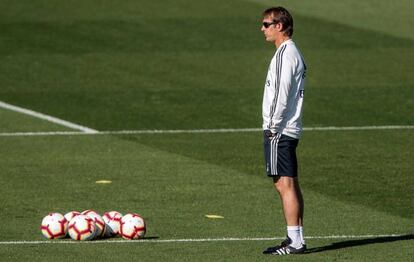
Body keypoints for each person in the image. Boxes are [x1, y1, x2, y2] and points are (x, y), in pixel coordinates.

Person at [260, 7, 307, 255]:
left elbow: (281, 94)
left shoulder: (284, 55)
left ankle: (295, 241)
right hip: (290, 127)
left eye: (267, 24)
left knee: (283, 184)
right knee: (290, 183)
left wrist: (272, 127)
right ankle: (296, 237)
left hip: (280, 129)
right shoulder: (291, 52)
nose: (263, 29)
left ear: (280, 26)